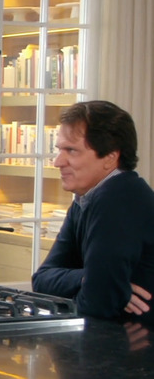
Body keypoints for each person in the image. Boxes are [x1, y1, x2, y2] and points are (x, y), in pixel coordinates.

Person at [32, 100, 154, 324]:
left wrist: (98, 283)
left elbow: (96, 306)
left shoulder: (120, 199)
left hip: (130, 350)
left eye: (71, 150)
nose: (58, 161)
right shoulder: (86, 197)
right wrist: (87, 277)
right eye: (60, 149)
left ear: (110, 158)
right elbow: (41, 279)